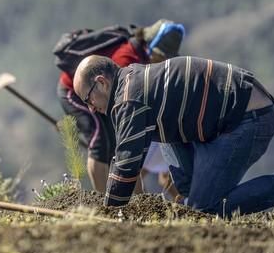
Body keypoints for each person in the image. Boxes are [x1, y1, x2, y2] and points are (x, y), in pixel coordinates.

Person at [73, 55, 274, 217]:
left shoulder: (128, 99)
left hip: (248, 120)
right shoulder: (131, 82)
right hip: (219, 121)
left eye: (88, 99)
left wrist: (107, 214)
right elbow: (125, 156)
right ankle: (194, 203)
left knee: (205, 210)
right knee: (189, 192)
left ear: (102, 82)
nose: (91, 108)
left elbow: (127, 165)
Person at [56, 19, 185, 195]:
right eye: (160, 55)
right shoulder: (126, 59)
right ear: (150, 45)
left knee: (120, 143)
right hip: (78, 93)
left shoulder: (142, 58)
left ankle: (136, 201)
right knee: (101, 142)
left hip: (104, 96)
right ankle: (106, 204)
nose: (161, 60)